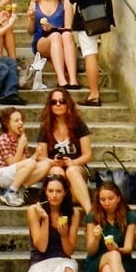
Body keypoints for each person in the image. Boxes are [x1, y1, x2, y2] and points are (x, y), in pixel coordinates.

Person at [25, 175, 96, 272]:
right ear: (45, 191)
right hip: (40, 263)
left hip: (63, 260)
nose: (54, 195)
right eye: (50, 191)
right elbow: (41, 247)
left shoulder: (73, 213)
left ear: (65, 193)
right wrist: (45, 219)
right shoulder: (34, 210)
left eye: (58, 191)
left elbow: (69, 251)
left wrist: (63, 235)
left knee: (66, 271)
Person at [84, 181, 136, 272]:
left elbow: (128, 248)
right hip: (97, 261)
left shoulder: (129, 216)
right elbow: (91, 251)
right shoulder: (93, 217)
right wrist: (96, 238)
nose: (106, 203)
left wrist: (117, 249)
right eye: (102, 199)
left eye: (110, 199)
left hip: (121, 263)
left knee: (109, 271)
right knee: (112, 256)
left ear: (118, 198)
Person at [36, 87, 93, 215]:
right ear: (49, 106)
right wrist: (53, 162)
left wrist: (72, 162)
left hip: (77, 167)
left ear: (68, 104)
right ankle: (60, 212)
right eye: (54, 102)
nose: (58, 104)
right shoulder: (46, 127)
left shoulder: (78, 124)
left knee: (72, 171)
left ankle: (90, 213)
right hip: (55, 168)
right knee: (57, 171)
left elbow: (88, 155)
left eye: (62, 101)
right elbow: (41, 157)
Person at [25, 0, 78, 88]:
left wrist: (53, 28)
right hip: (42, 41)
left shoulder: (65, 3)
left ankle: (73, 79)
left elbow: (68, 29)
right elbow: (30, 31)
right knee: (55, 36)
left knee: (65, 35)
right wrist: (31, 19)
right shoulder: (34, 3)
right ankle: (61, 79)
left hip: (62, 39)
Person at [0, 107, 52, 207]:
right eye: (16, 121)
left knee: (46, 164)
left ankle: (18, 189)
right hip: (2, 175)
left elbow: (26, 164)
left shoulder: (20, 139)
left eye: (21, 120)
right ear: (7, 124)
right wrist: (20, 146)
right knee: (32, 163)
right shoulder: (3, 139)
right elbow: (12, 163)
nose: (20, 123)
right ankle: (11, 193)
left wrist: (36, 154)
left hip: (16, 174)